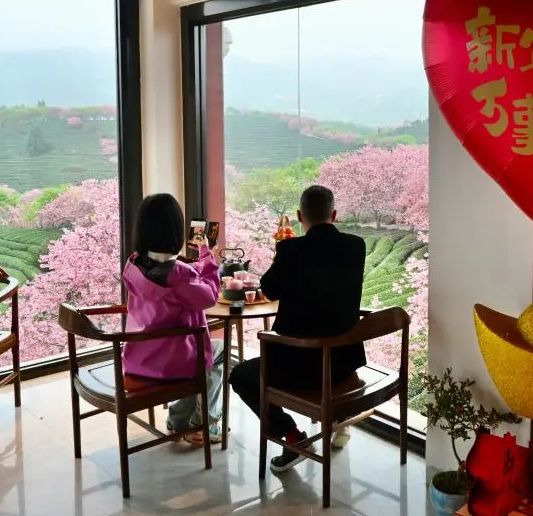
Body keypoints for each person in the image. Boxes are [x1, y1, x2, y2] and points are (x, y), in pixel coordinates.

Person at [229, 185, 366, 472]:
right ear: (334, 215)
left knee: (240, 375)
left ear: (300, 216)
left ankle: (294, 437)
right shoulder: (357, 246)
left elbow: (269, 288)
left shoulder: (291, 249)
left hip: (303, 368)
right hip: (345, 362)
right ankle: (333, 425)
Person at [122, 193, 226, 446]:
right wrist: (207, 257)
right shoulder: (179, 274)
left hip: (138, 357)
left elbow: (174, 281)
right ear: (175, 230)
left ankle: (179, 419)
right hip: (171, 360)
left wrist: (194, 269)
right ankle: (205, 421)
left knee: (206, 358)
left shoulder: (134, 264)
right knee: (218, 353)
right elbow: (209, 296)